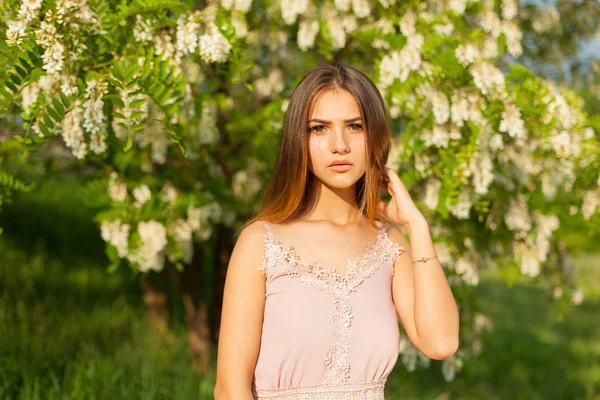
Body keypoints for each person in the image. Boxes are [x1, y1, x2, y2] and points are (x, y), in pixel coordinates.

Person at [214, 62, 459, 399]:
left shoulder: (390, 243)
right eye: (319, 128)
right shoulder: (261, 242)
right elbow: (230, 389)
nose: (339, 145)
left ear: (374, 136)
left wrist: (418, 227)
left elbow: (441, 342)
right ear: (298, 139)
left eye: (355, 126)